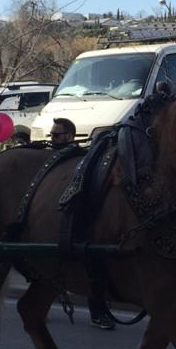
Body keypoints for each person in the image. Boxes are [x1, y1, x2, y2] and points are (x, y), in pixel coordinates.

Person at [50, 117, 116, 331]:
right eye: (52, 135)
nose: (52, 139)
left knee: (90, 265)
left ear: (70, 136)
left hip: (73, 219)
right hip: (52, 218)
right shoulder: (54, 157)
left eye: (56, 135)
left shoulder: (81, 160)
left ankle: (97, 312)